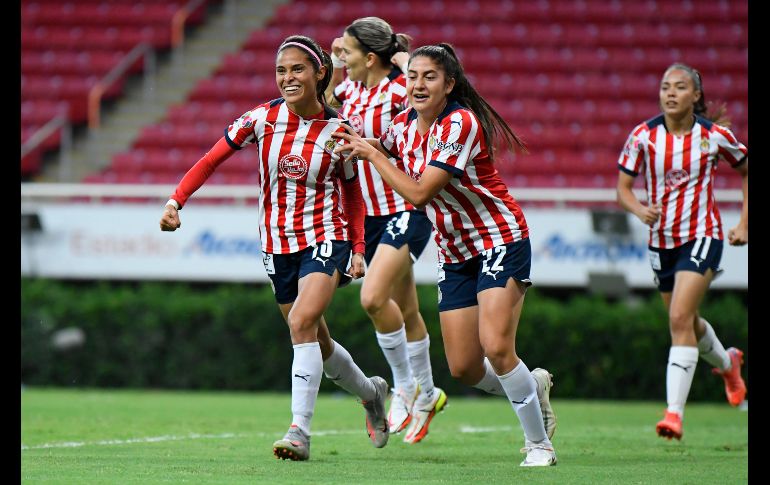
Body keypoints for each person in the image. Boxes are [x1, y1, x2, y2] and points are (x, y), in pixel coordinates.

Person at [158, 35, 391, 461]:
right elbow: (210, 159)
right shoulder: (261, 118)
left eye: (297, 69)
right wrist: (176, 201)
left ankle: (299, 432)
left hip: (326, 236)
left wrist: (358, 247)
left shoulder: (340, 130)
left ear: (320, 73)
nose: (288, 78)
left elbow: (353, 195)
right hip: (277, 243)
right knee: (316, 340)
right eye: (281, 70)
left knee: (302, 321)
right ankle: (371, 393)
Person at [333, 43, 557, 466]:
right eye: (413, 77)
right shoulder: (403, 124)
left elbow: (419, 193)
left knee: (496, 347)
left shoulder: (460, 123)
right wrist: (351, 140)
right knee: (464, 369)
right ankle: (532, 386)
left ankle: (539, 444)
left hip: (498, 238)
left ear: (449, 84)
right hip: (454, 252)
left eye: (429, 77)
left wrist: (372, 154)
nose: (418, 85)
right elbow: (377, 143)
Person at [322, 16, 447, 444]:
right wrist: (336, 64)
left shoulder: (398, 90)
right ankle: (428, 394)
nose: (343, 57)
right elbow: (327, 100)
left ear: (372, 57)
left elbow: (427, 88)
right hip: (369, 217)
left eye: (349, 52)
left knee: (373, 297)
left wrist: (402, 58)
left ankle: (404, 386)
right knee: (406, 310)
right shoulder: (349, 90)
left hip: (406, 206)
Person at [616, 62, 748, 441]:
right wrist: (640, 209)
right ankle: (729, 364)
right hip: (661, 241)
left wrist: (743, 223)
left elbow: (745, 170)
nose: (670, 93)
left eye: (679, 87)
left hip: (703, 235)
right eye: (665, 87)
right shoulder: (643, 136)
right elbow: (623, 189)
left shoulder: (714, 136)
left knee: (679, 317)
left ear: (696, 95)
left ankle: (673, 415)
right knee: (686, 322)